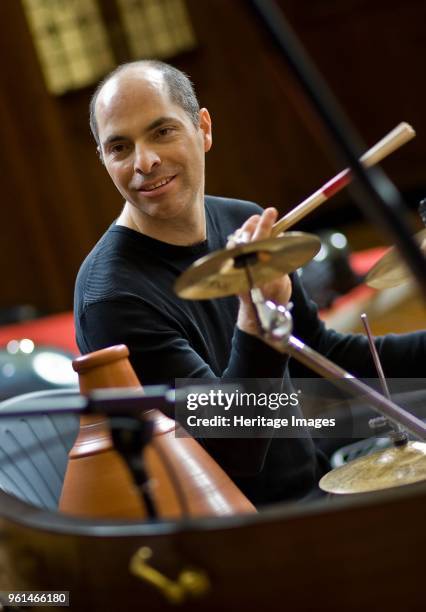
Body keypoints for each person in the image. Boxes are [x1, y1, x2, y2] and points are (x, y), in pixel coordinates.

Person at [74, 60, 426, 506]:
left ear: (203, 128)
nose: (145, 161)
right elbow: (230, 449)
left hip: (313, 486)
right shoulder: (112, 297)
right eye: (120, 147)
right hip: (242, 527)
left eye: (162, 131)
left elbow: (316, 358)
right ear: (104, 159)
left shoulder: (239, 220)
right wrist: (255, 323)